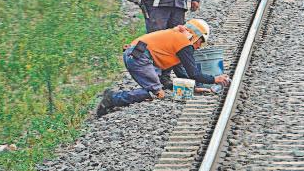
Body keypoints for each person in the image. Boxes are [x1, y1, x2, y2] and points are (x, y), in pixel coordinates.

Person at [96, 19, 231, 117]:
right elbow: (194, 73)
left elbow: (180, 71)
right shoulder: (184, 43)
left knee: (162, 87)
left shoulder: (177, 37)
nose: (199, 46)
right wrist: (215, 79)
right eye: (201, 41)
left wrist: (193, 87)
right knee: (156, 93)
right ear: (196, 35)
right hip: (139, 57)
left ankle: (113, 99)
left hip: (136, 54)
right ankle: (112, 98)